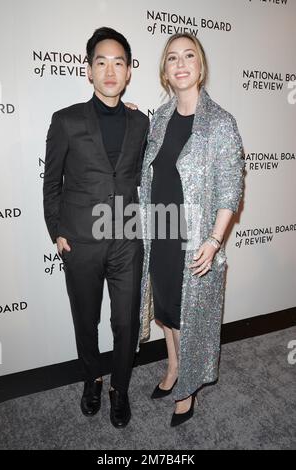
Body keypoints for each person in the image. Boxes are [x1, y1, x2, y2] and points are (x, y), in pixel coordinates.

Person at [43, 27, 149, 428]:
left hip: (126, 239)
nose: (110, 70)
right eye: (101, 62)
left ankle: (119, 387)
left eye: (118, 62)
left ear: (128, 72)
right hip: (81, 241)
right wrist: (57, 230)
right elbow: (51, 182)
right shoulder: (65, 121)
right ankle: (92, 379)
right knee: (85, 319)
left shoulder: (142, 123)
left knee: (125, 321)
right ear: (88, 70)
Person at [139, 33, 245, 426]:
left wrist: (215, 240)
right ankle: (172, 368)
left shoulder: (220, 123)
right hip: (161, 233)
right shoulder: (160, 118)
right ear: (165, 72)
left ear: (200, 67)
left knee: (188, 315)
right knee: (167, 312)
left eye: (188, 56)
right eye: (172, 59)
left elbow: (230, 187)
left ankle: (187, 388)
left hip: (196, 239)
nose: (180, 64)